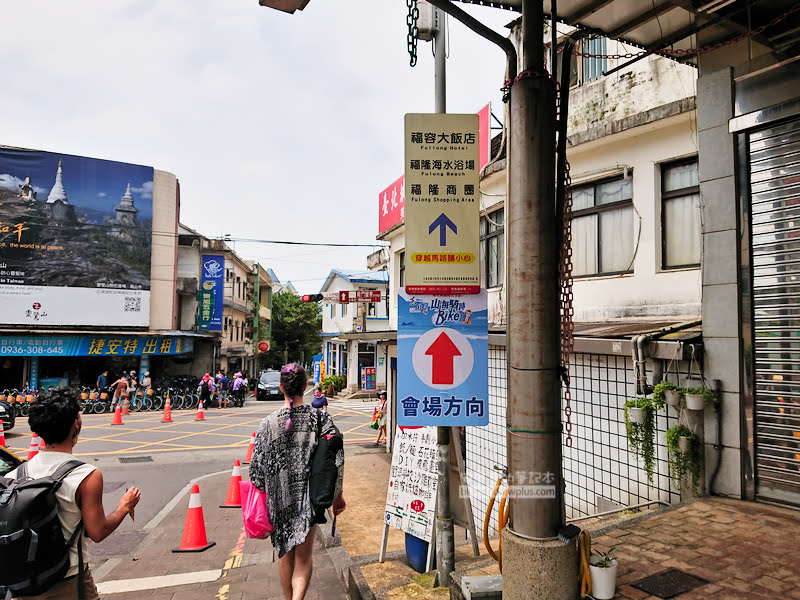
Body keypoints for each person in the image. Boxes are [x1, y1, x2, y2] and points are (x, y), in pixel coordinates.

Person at [5, 388, 140, 599]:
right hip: (69, 580)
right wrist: (124, 506)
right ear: (75, 425)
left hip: (26, 583)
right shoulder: (87, 476)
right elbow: (98, 532)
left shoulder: (17, 473)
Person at [249, 364, 345, 600]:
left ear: (281, 387)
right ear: (305, 387)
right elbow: (336, 459)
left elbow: (256, 473)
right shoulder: (319, 418)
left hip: (278, 501)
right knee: (303, 559)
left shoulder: (267, 424)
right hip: (309, 500)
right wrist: (338, 495)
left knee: (285, 556)